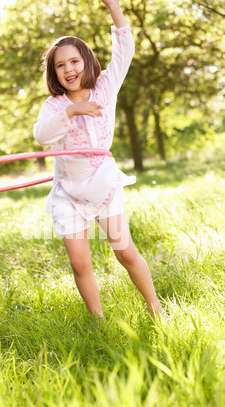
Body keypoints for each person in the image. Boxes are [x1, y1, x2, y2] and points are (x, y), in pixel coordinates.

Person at [33, 0, 167, 322]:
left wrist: (114, 6)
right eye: (60, 66)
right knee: (80, 264)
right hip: (69, 192)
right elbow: (41, 136)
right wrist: (71, 110)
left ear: (86, 61)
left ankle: (156, 308)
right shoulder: (54, 106)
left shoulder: (105, 87)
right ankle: (98, 321)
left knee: (125, 252)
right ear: (54, 73)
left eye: (74, 61)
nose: (69, 70)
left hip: (104, 187)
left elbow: (125, 49)